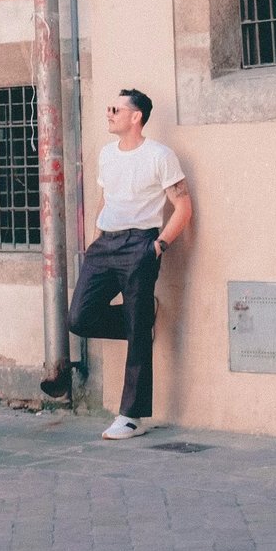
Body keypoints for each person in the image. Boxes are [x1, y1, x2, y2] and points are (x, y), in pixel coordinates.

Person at [67, 87, 191, 440]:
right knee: (80, 317)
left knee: (137, 330)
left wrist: (158, 246)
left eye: (115, 109)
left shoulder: (159, 156)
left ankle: (131, 416)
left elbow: (183, 206)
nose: (109, 113)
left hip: (140, 244)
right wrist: (95, 239)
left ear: (135, 117)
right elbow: (106, 199)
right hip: (105, 244)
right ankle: (142, 319)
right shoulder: (107, 155)